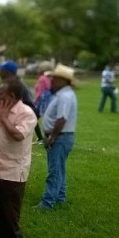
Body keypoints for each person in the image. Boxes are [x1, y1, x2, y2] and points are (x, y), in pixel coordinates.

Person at [0, 78, 37, 238]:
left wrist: (5, 118)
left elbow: (18, 135)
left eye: (1, 92)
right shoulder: (3, 110)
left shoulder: (26, 113)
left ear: (12, 95)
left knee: (9, 207)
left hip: (13, 169)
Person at [35, 64, 78, 210]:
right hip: (61, 137)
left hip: (60, 138)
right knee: (59, 169)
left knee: (54, 171)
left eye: (55, 78)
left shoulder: (65, 96)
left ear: (63, 80)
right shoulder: (62, 94)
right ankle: (60, 196)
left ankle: (48, 202)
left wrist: (52, 137)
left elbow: (61, 119)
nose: (51, 80)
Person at [0, 60, 42, 144]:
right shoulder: (4, 84)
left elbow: (30, 106)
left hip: (18, 119)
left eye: (1, 70)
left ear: (7, 72)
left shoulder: (19, 86)